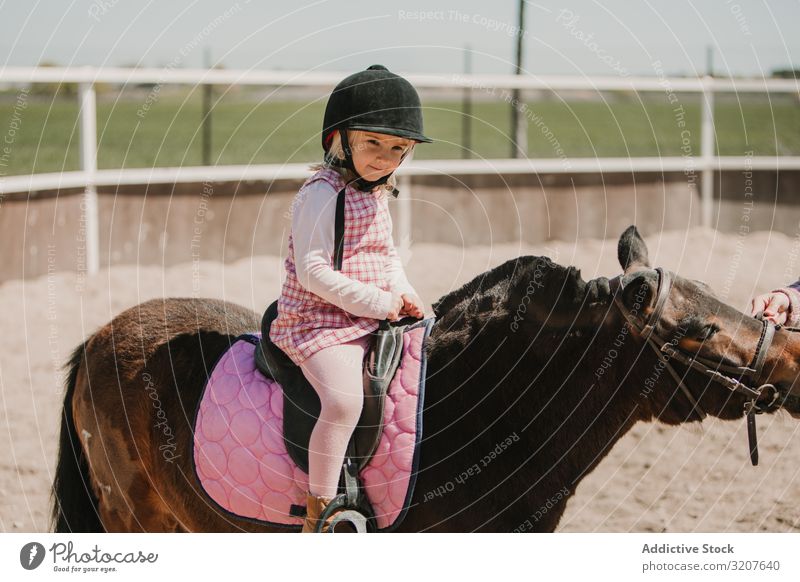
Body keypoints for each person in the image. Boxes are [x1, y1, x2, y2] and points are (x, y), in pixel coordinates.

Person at [267, 65, 432, 532]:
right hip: (317, 322)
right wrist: (381, 304)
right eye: (373, 144)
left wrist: (404, 292)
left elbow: (386, 256)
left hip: (366, 314)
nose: (384, 158)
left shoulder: (377, 193)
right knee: (343, 403)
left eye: (397, 148)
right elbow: (314, 273)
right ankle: (319, 510)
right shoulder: (321, 195)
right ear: (340, 140)